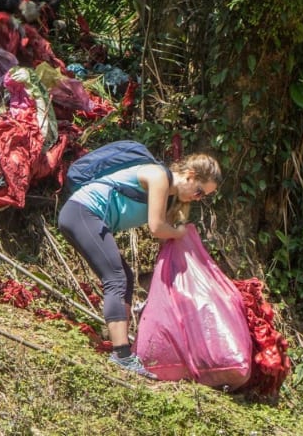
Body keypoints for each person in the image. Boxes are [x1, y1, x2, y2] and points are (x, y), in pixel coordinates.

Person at [57, 148, 222, 378]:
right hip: (82, 212)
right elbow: (156, 228)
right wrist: (179, 233)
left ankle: (122, 348)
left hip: (87, 218)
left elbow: (164, 230)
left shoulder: (171, 197)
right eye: (199, 192)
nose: (198, 198)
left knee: (125, 277)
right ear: (191, 175)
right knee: (115, 278)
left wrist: (176, 230)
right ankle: (122, 355)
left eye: (203, 196)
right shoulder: (158, 176)